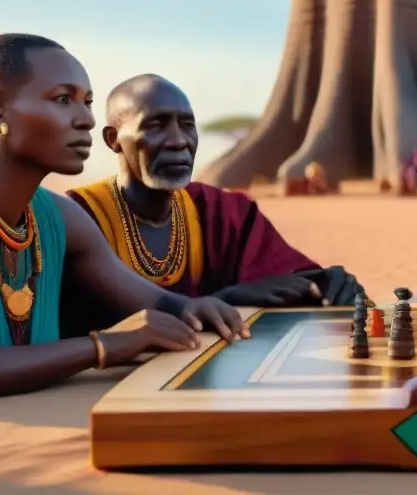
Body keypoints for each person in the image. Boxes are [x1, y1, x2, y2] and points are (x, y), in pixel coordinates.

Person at [0, 35, 247, 447]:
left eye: (88, 102)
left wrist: (196, 308)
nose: (87, 120)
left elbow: (160, 305)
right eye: (63, 100)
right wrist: (101, 347)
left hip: (20, 437)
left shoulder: (60, 217)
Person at [64, 74, 365, 332]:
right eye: (156, 125)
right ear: (113, 139)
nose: (178, 140)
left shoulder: (222, 212)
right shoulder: (78, 216)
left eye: (187, 125)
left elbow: (282, 277)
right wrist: (229, 299)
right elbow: (79, 323)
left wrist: (324, 281)